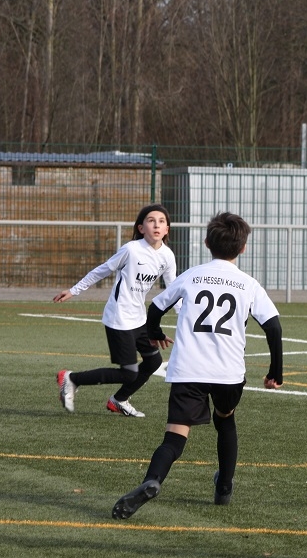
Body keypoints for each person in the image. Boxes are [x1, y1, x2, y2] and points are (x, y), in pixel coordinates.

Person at [112, 212, 284, 520]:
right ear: (243, 248)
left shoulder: (191, 275)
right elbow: (273, 326)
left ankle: (152, 480)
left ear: (206, 243)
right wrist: (276, 372)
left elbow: (156, 307)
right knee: (225, 420)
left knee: (175, 437)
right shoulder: (248, 284)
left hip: (188, 369)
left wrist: (154, 332)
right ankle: (224, 486)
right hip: (228, 373)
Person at [54, 204, 178, 418]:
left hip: (139, 319)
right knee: (129, 373)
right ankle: (72, 378)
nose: (156, 225)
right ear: (141, 228)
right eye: (151, 221)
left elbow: (173, 290)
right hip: (118, 318)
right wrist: (74, 290)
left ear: (167, 229)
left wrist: (186, 316)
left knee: (153, 362)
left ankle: (119, 400)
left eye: (161, 221)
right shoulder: (131, 250)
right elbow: (102, 270)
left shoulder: (167, 256)